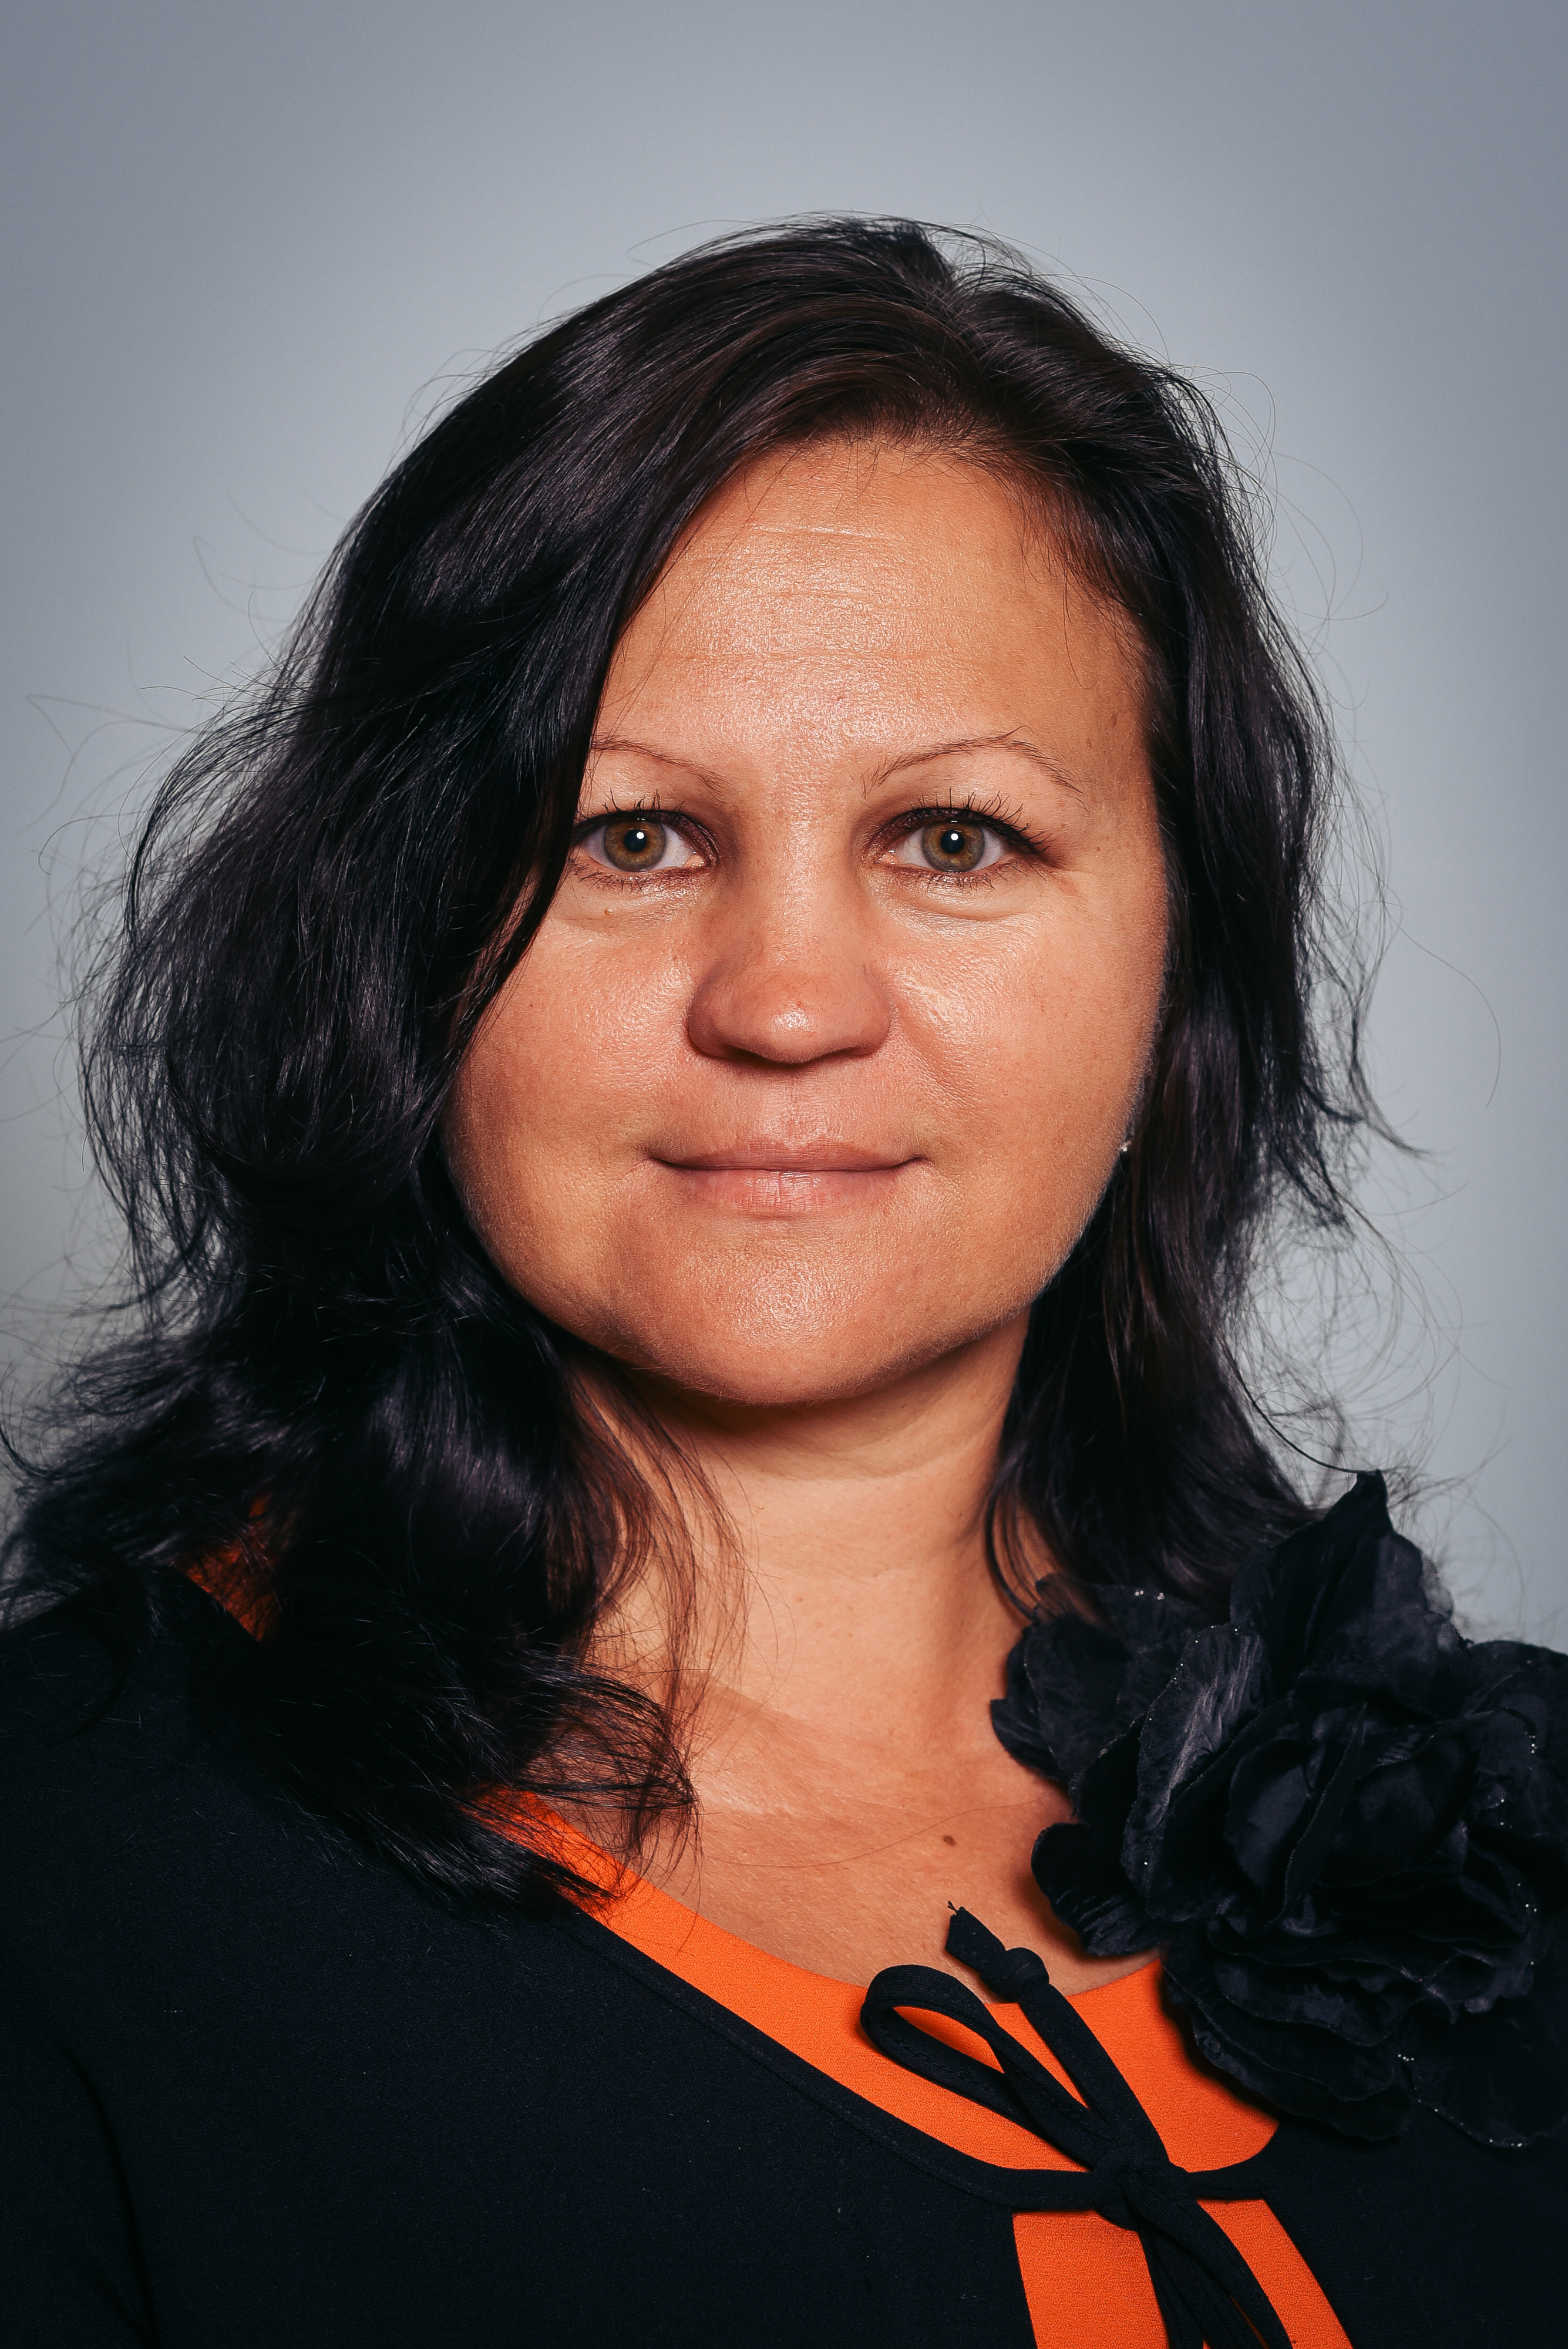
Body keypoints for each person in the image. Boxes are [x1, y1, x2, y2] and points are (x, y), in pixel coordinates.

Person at [2, 218, 1563, 2348]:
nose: (789, 1004)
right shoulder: (58, 1886)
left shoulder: (1519, 1836)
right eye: (630, 837)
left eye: (955, 838)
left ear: (1178, 963)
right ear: (398, 945)